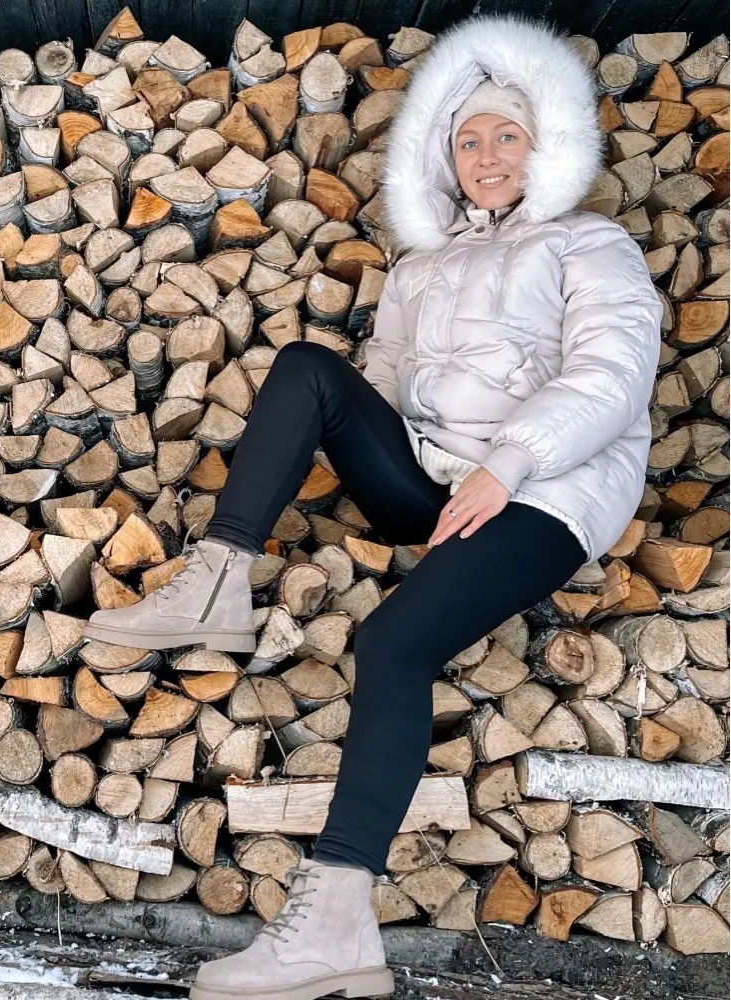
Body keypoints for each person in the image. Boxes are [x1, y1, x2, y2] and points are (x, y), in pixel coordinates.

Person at [84, 12, 663, 1000]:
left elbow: (612, 375)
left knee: (392, 642)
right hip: (430, 484)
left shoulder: (588, 243)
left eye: (508, 136)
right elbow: (384, 387)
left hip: (543, 492)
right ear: (445, 155)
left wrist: (508, 463)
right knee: (308, 367)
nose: (487, 156)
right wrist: (389, 451)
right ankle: (217, 580)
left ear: (547, 146)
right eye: (468, 139)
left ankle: (337, 929)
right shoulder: (418, 266)